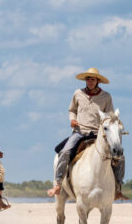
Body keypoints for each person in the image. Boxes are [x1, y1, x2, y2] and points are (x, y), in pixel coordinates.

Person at [47, 68, 125, 199]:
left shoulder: (106, 96)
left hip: (98, 134)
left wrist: (115, 125)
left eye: (92, 79)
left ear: (98, 81)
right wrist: (72, 119)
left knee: (120, 157)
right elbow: (72, 110)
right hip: (80, 132)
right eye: (88, 79)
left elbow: (110, 116)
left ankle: (117, 187)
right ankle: (58, 184)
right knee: (65, 152)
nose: (90, 81)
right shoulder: (78, 94)